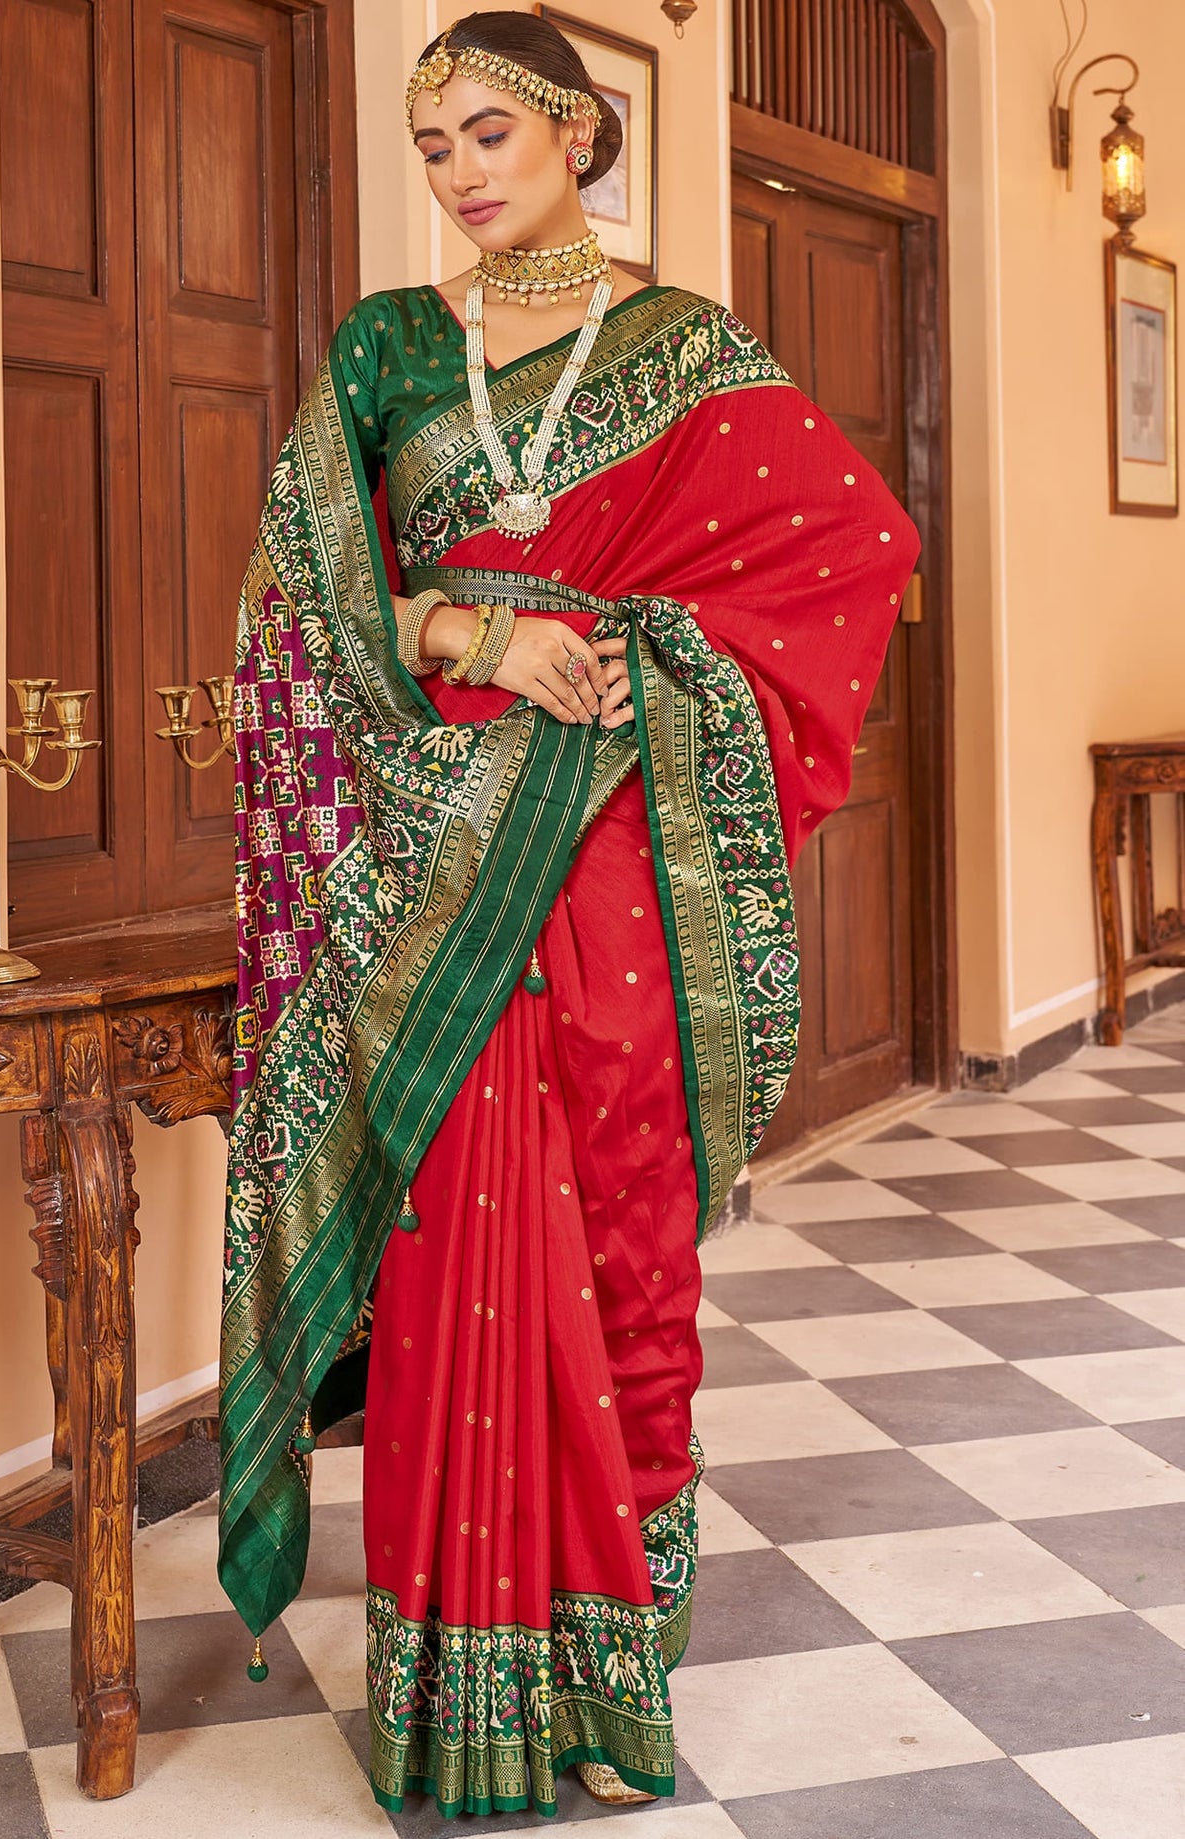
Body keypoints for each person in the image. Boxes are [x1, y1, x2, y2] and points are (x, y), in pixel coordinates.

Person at [216, 10, 919, 1820]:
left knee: (618, 1224)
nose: (455, 175)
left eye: (487, 138)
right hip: (436, 851)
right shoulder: (385, 347)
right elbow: (292, 606)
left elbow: (851, 552)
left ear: (577, 138)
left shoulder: (687, 346)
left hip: (614, 836)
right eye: (429, 143)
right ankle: (457, 1696)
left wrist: (628, 651)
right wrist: (471, 633)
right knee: (462, 1235)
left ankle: (610, 1697)